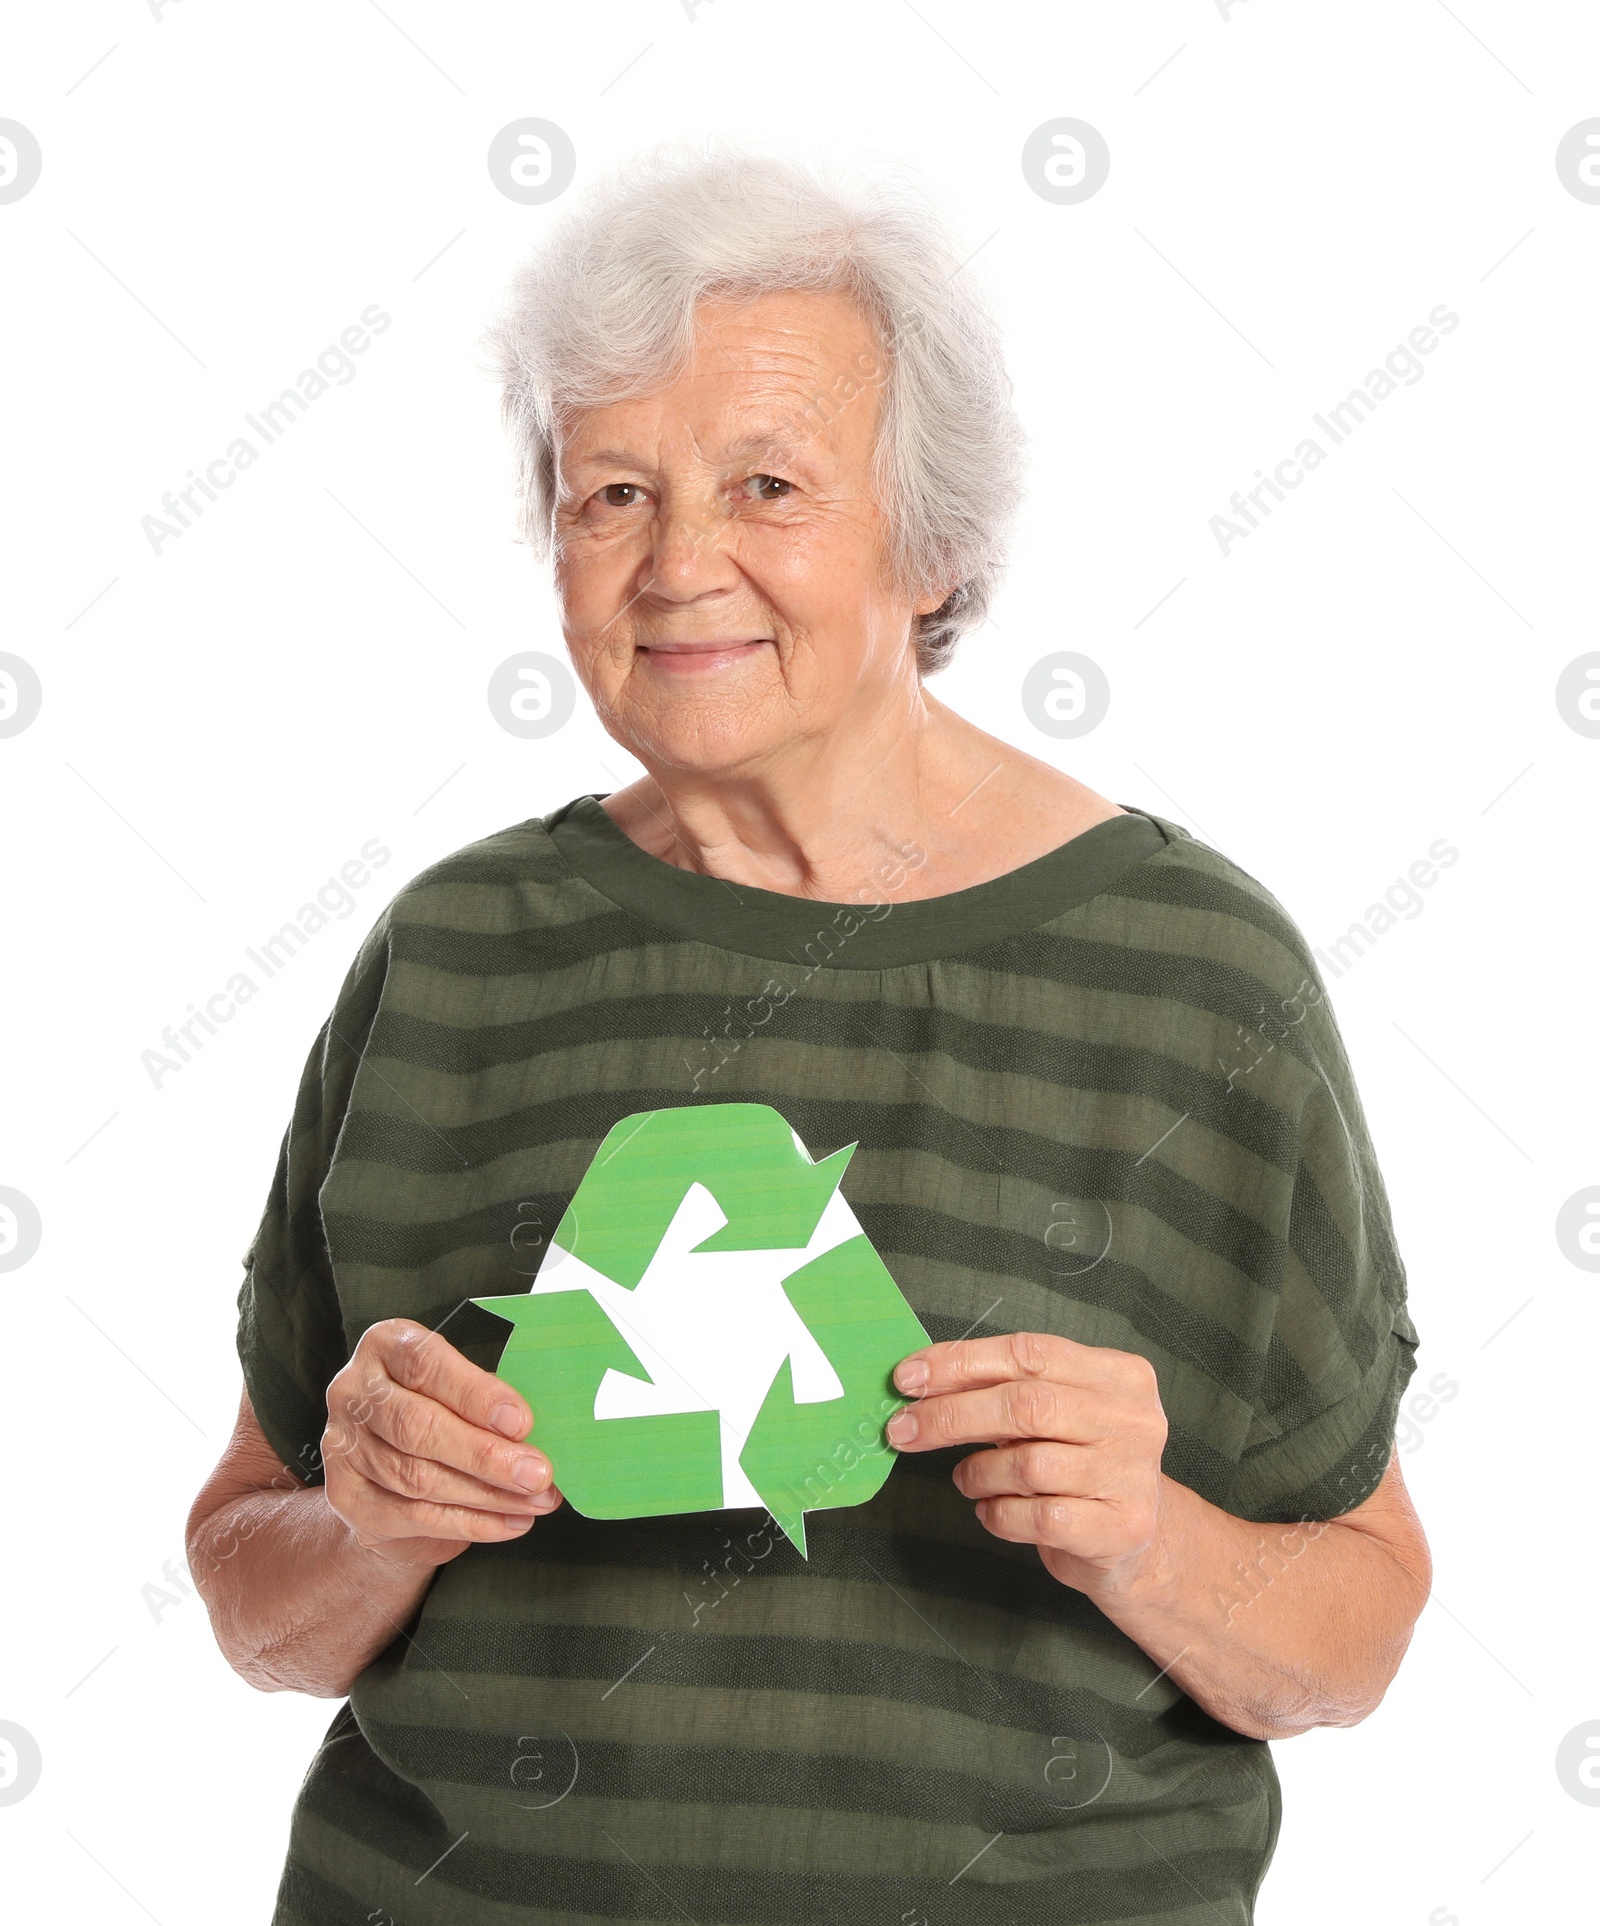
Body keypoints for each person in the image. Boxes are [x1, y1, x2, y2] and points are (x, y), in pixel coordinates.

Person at [188, 138, 1430, 1926]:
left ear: (933, 548)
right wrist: (373, 1523)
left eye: (768, 483)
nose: (679, 562)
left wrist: (1148, 1534)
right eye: (611, 494)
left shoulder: (1194, 972)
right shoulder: (451, 952)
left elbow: (1355, 1632)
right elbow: (251, 1585)